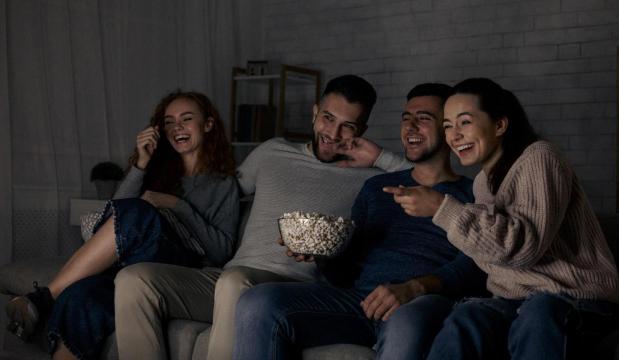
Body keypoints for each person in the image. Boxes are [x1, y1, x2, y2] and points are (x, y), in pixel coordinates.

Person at [113, 75, 410, 360]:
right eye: (328, 118)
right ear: (315, 112)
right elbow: (214, 194)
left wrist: (379, 157)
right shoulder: (272, 151)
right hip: (230, 274)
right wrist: (142, 168)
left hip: (291, 288)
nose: (332, 134)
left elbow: (430, 184)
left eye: (348, 126)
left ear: (363, 129)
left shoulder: (369, 178)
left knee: (234, 283)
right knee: (133, 280)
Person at [232, 83, 487, 360]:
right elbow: (344, 272)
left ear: (448, 129)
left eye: (424, 118)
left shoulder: (472, 194)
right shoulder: (376, 187)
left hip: (421, 302)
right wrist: (321, 253)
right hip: (359, 301)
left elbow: (478, 264)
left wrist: (414, 287)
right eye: (406, 118)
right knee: (257, 302)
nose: (411, 126)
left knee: (407, 321)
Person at [385, 78, 619, 360]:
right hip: (513, 300)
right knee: (466, 317)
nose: (454, 135)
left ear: (499, 125)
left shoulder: (540, 156)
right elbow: (492, 255)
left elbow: (524, 248)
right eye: (447, 126)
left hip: (573, 298)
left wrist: (441, 209)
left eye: (465, 122)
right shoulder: (483, 183)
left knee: (538, 312)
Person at [5, 90, 239, 360]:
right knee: (80, 295)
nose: (177, 128)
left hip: (178, 265)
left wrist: (176, 205)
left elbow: (222, 251)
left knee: (140, 211)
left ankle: (43, 298)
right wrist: (141, 163)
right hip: (130, 267)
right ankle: (54, 302)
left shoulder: (223, 184)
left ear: (208, 125)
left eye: (187, 119)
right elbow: (114, 217)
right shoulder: (158, 172)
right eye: (169, 122)